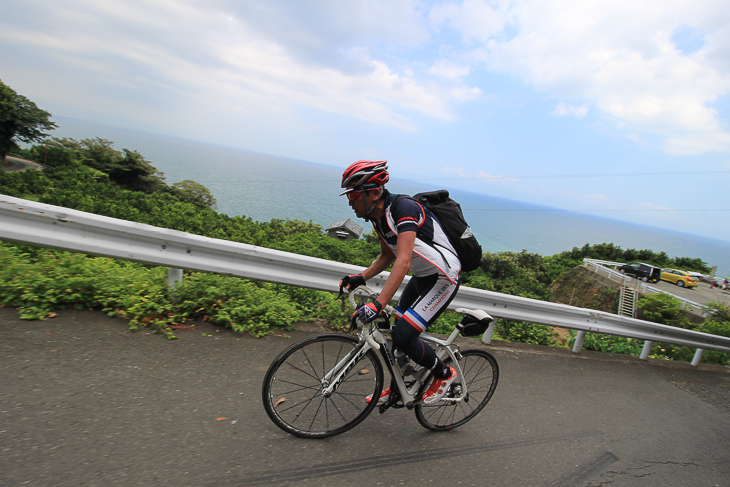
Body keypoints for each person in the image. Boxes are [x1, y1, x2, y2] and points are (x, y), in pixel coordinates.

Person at [338, 160, 461, 405]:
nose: (350, 201)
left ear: (373, 192)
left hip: (443, 279)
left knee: (405, 336)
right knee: (397, 339)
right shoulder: (377, 218)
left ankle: (444, 374)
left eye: (353, 195)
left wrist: (378, 304)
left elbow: (403, 261)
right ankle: (398, 390)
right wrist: (360, 277)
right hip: (422, 277)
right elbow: (387, 255)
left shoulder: (404, 208)